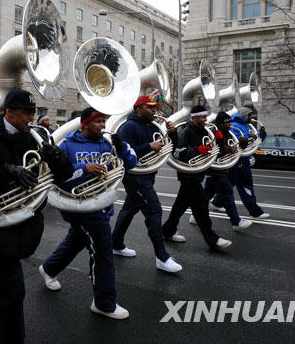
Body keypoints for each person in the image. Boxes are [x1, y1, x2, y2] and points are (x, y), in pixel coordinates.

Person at [0, 88, 73, 344]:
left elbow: (64, 175)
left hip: (24, 224)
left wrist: (58, 158)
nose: (32, 118)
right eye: (26, 112)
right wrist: (7, 171)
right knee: (12, 290)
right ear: (9, 112)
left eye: (34, 112)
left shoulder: (38, 136)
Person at [39, 107, 137, 320]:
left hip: (101, 204)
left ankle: (49, 268)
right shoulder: (66, 145)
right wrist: (84, 169)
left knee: (77, 240)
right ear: (85, 124)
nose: (103, 125)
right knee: (103, 252)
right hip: (80, 207)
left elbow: (130, 164)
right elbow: (58, 179)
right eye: (98, 121)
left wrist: (122, 148)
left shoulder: (107, 143)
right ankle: (104, 303)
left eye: (104, 121)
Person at [111, 95, 183, 273]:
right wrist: (148, 147)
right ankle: (162, 257)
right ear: (139, 109)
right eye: (150, 108)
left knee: (130, 209)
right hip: (135, 177)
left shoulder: (152, 126)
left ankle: (116, 243)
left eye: (154, 108)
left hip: (148, 174)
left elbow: (171, 146)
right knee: (154, 210)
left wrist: (172, 133)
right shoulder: (128, 126)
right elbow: (123, 154)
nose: (154, 111)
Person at [161, 105, 232, 250]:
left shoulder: (205, 131)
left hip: (198, 173)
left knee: (180, 206)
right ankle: (212, 239)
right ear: (194, 118)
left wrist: (219, 141)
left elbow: (215, 153)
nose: (206, 120)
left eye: (206, 117)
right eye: (203, 117)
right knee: (201, 205)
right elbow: (177, 152)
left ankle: (167, 230)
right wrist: (196, 150)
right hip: (187, 173)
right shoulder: (185, 132)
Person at [211, 106, 270, 219]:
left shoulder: (246, 126)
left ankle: (217, 202)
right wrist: (249, 136)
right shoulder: (235, 126)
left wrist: (262, 134)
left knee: (231, 182)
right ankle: (255, 211)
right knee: (245, 184)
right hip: (240, 159)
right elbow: (234, 140)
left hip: (241, 159)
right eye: (249, 115)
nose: (251, 117)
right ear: (244, 116)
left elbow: (256, 139)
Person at [203, 112, 252, 231]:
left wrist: (242, 144)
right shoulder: (213, 133)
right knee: (228, 191)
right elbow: (213, 149)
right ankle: (236, 222)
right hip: (215, 168)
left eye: (230, 122)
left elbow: (234, 149)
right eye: (227, 122)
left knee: (206, 195)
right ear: (220, 123)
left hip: (223, 168)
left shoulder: (228, 133)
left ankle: (195, 215)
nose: (230, 124)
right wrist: (229, 149)